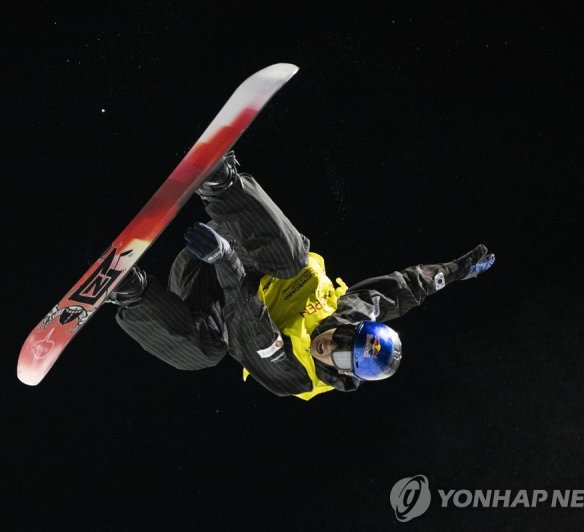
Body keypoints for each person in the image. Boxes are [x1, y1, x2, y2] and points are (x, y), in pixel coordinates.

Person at [107, 152, 495, 400]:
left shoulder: (297, 376)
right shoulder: (353, 311)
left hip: (212, 285)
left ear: (346, 373)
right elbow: (405, 289)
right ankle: (223, 183)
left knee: (204, 354)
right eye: (342, 342)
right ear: (350, 328)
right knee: (295, 261)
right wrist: (452, 271)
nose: (329, 350)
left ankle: (131, 293)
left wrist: (223, 262)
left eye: (341, 360)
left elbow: (250, 326)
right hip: (239, 241)